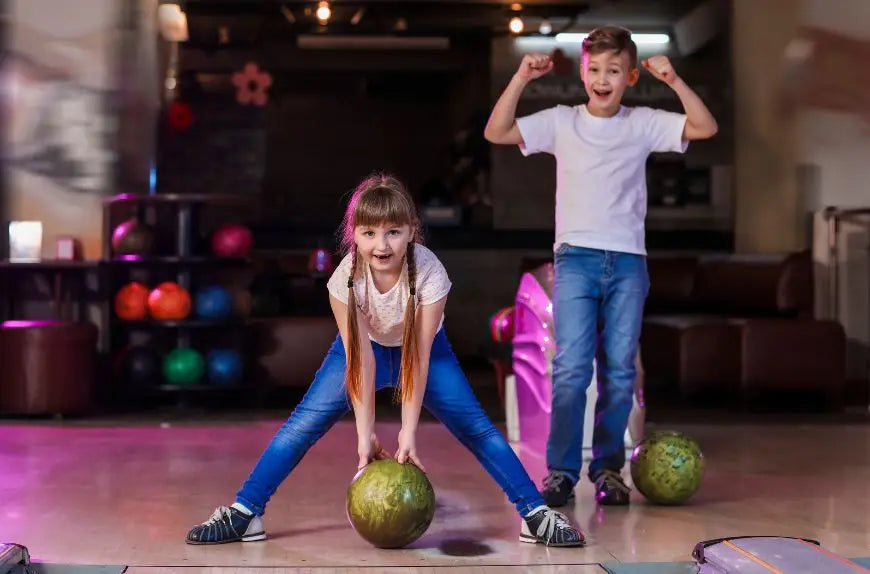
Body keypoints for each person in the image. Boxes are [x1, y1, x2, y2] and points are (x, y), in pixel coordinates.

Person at [185, 173, 585, 547]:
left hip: (425, 351)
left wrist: (408, 434)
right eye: (370, 233)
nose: (382, 245)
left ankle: (535, 515)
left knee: (477, 429)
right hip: (361, 350)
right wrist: (366, 437)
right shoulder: (344, 279)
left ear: (412, 231)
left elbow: (417, 356)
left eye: (394, 232)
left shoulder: (429, 272)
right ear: (354, 235)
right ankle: (245, 513)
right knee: (300, 426)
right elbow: (360, 360)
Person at [483, 26, 718, 507]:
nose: (602, 78)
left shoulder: (645, 121)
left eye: (614, 70)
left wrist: (673, 81)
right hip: (576, 260)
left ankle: (608, 470)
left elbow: (704, 126)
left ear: (631, 76)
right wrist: (522, 78)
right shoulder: (562, 121)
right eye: (594, 69)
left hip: (629, 261)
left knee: (619, 372)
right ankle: (562, 473)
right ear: (583, 74)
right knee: (570, 369)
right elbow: (497, 131)